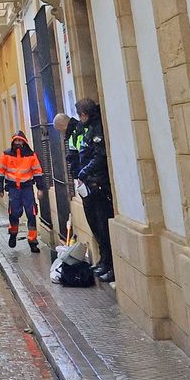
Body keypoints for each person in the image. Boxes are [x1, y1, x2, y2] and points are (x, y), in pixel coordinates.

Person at [71, 99, 115, 283]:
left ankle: (110, 264)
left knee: (104, 225)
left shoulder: (96, 128)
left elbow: (99, 155)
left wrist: (84, 171)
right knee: (95, 225)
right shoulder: (85, 129)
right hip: (88, 184)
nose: (80, 118)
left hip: (98, 183)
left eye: (81, 114)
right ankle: (104, 260)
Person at [0, 131, 44, 253]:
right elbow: (0, 172)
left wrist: (40, 188)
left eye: (20, 141)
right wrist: (0, 188)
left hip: (27, 188)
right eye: (16, 141)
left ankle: (32, 241)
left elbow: (38, 172)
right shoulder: (6, 154)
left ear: (24, 142)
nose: (18, 143)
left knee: (31, 214)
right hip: (13, 189)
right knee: (13, 214)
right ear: (13, 142)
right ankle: (13, 233)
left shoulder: (31, 155)